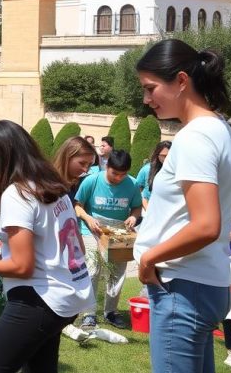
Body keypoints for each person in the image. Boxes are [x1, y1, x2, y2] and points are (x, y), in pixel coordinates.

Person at [0, 121, 94, 373]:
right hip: (67, 296)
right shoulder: (52, 187)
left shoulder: (17, 193)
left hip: (38, 299)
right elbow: (63, 243)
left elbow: (22, 266)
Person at [134, 39, 231, 373]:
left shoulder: (196, 136)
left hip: (183, 287)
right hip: (200, 284)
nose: (147, 100)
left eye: (151, 89)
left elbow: (207, 225)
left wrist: (150, 257)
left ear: (181, 81)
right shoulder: (220, 129)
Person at [73, 149, 142, 329]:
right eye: (115, 173)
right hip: (92, 230)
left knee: (117, 272)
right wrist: (88, 218)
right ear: (107, 166)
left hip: (118, 233)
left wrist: (134, 217)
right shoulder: (92, 180)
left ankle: (111, 311)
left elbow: (136, 208)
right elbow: (77, 206)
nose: (119, 178)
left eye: (123, 174)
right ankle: (88, 314)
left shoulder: (133, 184)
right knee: (92, 269)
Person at [50, 136, 98, 201]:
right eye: (82, 163)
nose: (86, 170)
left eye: (89, 165)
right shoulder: (48, 185)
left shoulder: (75, 183)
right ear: (67, 158)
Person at [136, 140, 171, 210]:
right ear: (157, 155)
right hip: (147, 209)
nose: (166, 158)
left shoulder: (177, 172)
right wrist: (146, 207)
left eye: (169, 155)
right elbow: (137, 191)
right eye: (163, 156)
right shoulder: (146, 169)